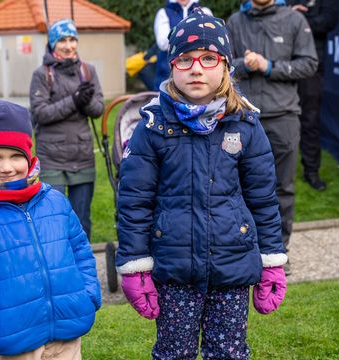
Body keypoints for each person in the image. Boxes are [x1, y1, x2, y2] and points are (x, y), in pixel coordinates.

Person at [115, 9, 288, 359]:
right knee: (173, 352)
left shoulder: (246, 125)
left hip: (232, 267)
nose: (196, 68)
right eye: (185, 59)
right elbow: (134, 202)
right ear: (172, 65)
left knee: (228, 352)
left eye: (209, 58)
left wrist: (272, 261)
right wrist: (134, 263)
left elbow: (264, 200)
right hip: (174, 271)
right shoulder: (151, 128)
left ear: (225, 66)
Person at [0, 100, 101, 359]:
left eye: (16, 156)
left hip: (67, 336)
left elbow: (80, 251)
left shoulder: (54, 201)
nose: (7, 168)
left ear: (29, 157)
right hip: (12, 343)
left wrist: (89, 295)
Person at [227, 0, 318, 275]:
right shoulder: (234, 22)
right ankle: (242, 249)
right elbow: (223, 66)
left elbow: (309, 64)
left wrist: (268, 66)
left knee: (282, 187)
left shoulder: (294, 20)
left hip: (283, 117)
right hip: (242, 117)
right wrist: (246, 63)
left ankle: (278, 252)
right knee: (235, 188)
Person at [29, 19, 104, 241]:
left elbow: (98, 109)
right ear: (53, 43)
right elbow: (40, 114)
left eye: (72, 39)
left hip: (82, 157)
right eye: (62, 40)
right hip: (52, 160)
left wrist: (86, 100)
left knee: (82, 220)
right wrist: (74, 100)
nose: (69, 45)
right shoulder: (42, 75)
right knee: (53, 219)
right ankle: (58, 269)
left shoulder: (87, 71)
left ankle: (83, 270)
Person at [287, 0, 339, 191]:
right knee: (280, 119)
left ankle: (311, 172)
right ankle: (276, 172)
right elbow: (274, 16)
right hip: (283, 64)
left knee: (309, 120)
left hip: (312, 66)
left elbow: (329, 20)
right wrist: (291, 14)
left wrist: (299, 19)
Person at [153, 0, 212, 90]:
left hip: (199, 69)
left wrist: (179, 35)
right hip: (167, 74)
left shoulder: (205, 11)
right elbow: (163, 43)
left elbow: (210, 40)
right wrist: (195, 36)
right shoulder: (163, 13)